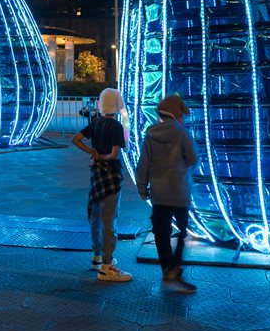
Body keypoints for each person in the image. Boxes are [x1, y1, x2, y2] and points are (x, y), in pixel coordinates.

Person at [136, 95, 198, 293]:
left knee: (161, 233)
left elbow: (143, 163)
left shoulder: (150, 135)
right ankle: (175, 269)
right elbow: (193, 158)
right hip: (179, 192)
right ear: (177, 115)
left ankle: (167, 270)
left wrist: (142, 187)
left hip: (159, 194)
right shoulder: (182, 134)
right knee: (182, 231)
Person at [72, 87, 131, 282]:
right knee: (109, 219)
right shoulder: (116, 126)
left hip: (96, 175)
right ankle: (107, 265)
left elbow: (76, 139)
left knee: (96, 216)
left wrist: (93, 153)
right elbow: (114, 154)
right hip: (111, 175)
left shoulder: (95, 122)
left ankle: (96, 257)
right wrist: (103, 157)